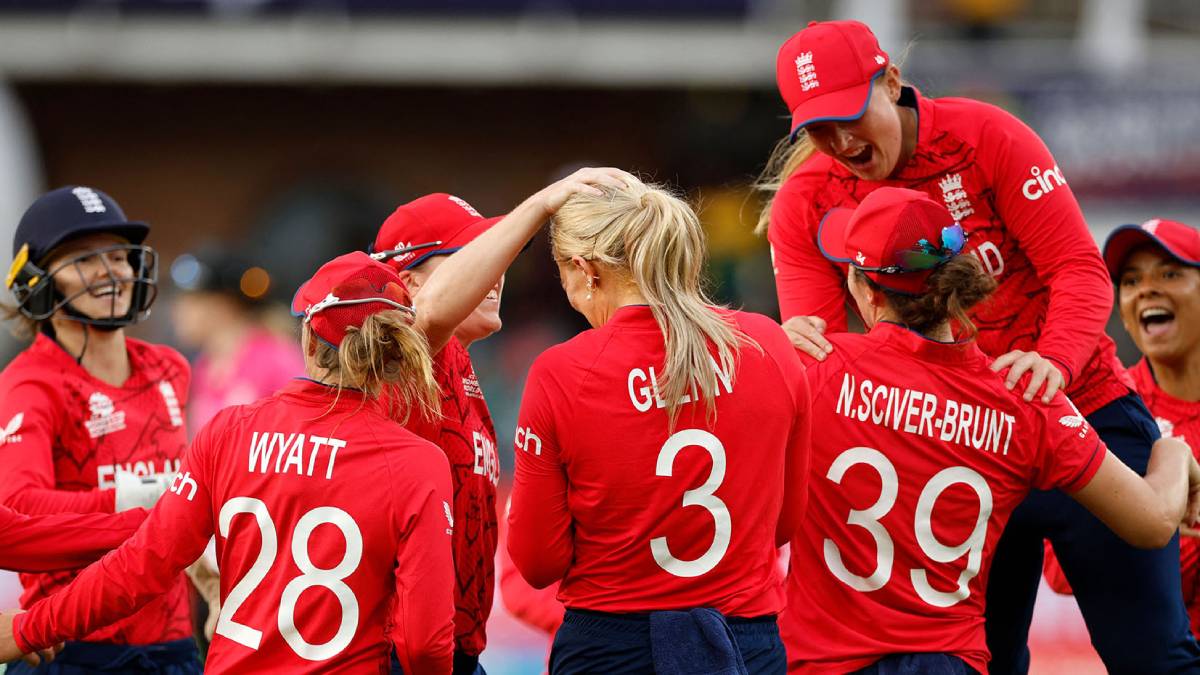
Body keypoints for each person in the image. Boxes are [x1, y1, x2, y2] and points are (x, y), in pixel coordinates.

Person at [757, 20, 1200, 673]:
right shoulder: (804, 201)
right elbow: (821, 353)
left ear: (893, 82)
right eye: (818, 129)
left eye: (851, 113)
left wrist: (1051, 365)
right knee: (980, 664)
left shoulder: (987, 135)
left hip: (1075, 407)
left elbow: (1078, 268)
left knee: (1155, 659)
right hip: (953, 447)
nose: (842, 140)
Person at [783, 187, 1200, 674]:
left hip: (820, 665)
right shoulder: (1025, 397)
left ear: (865, 288)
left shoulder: (809, 370)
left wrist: (769, 345)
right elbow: (1151, 523)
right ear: (954, 285)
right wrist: (1174, 452)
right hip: (949, 662)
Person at [0, 251, 458, 674]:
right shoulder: (419, 464)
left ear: (310, 342)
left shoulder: (228, 430)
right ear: (397, 356)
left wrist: (29, 628)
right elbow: (425, 646)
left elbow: (141, 564)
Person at [505, 175, 811, 673]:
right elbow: (784, 524)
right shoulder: (768, 345)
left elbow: (538, 564)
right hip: (745, 642)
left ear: (585, 269)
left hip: (612, 648)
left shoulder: (562, 371)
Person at [0, 186, 199, 674]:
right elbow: (17, 507)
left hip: (173, 643)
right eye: (83, 260)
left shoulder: (169, 367)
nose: (110, 273)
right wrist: (143, 500)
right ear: (36, 281)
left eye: (117, 255)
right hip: (72, 647)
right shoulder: (31, 384)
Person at [1043, 218, 1200, 633]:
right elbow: (1061, 569)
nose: (1146, 289)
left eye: (1170, 273)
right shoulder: (1111, 418)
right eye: (1130, 281)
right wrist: (1163, 520)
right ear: (1125, 317)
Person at [169, 248, 304, 433]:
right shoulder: (204, 366)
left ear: (224, 305)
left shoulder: (276, 357)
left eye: (191, 302)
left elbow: (305, 428)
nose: (178, 312)